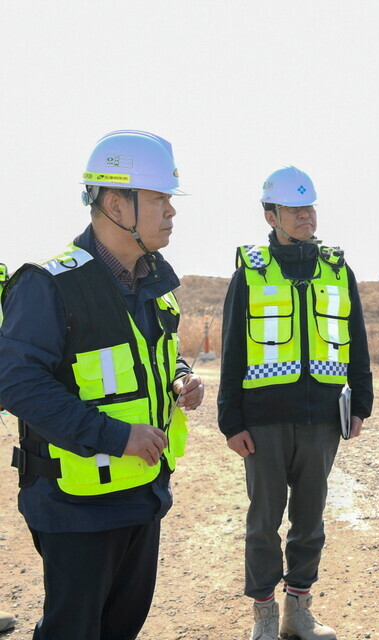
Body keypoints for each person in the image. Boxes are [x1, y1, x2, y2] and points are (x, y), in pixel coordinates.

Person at [0, 130, 204, 640]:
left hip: (142, 494)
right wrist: (116, 435)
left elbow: (151, 356)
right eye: (158, 199)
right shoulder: (49, 284)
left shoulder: (153, 282)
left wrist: (180, 378)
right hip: (75, 508)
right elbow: (17, 383)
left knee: (120, 628)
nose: (171, 211)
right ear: (115, 204)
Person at [218, 166, 374, 640]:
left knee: (310, 522)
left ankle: (298, 613)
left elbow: (357, 339)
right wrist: (230, 421)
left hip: (321, 420)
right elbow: (231, 348)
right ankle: (264, 618)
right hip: (263, 423)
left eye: (309, 207)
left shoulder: (337, 270)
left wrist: (361, 403)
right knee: (263, 523)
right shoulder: (250, 272)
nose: (306, 216)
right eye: (294, 209)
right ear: (272, 216)